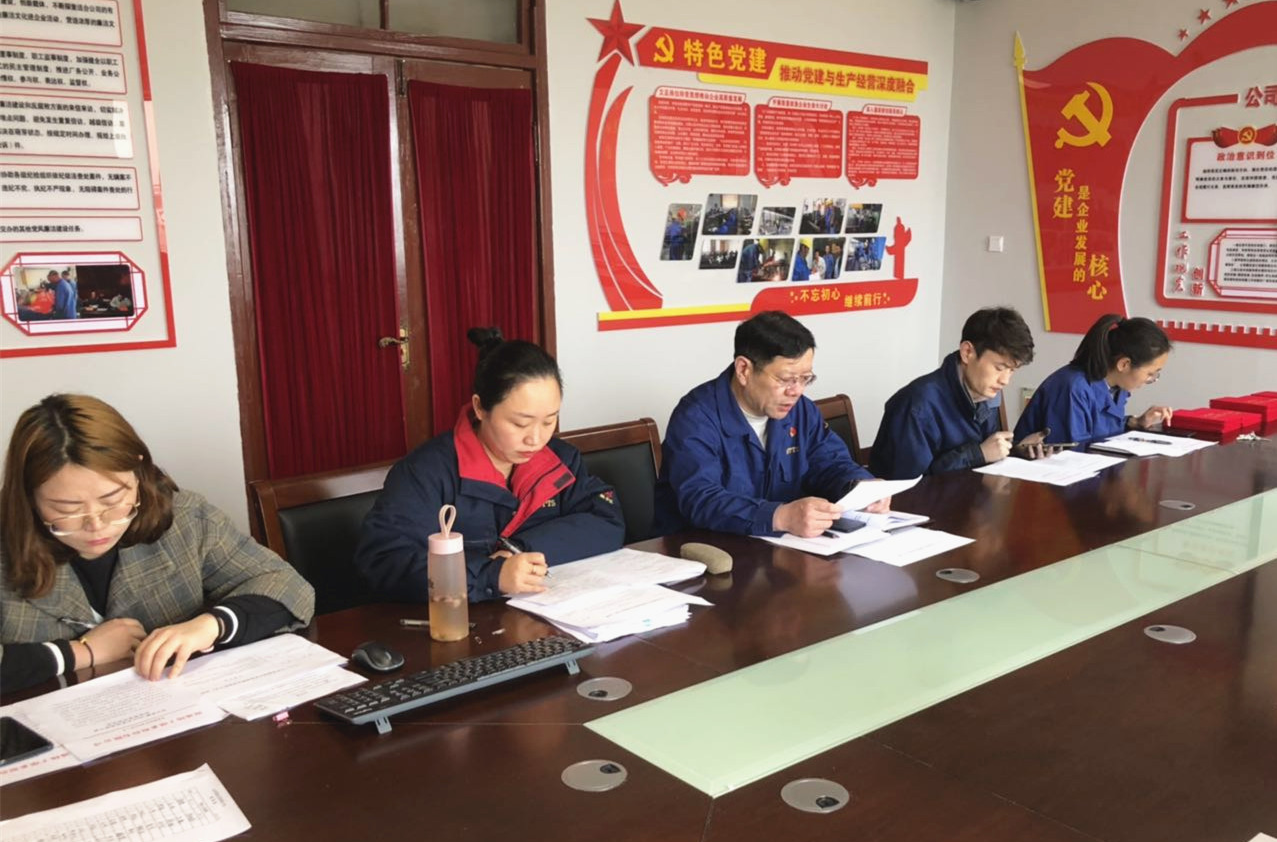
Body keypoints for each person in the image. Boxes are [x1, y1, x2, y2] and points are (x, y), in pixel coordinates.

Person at [0, 395, 315, 694]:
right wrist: (80, 653)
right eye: (67, 508)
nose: (96, 523)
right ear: (27, 495)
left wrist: (210, 626)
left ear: (137, 471)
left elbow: (288, 586)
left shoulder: (186, 519)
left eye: (112, 500)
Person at [356, 328, 624, 603]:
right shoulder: (426, 473)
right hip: (454, 621)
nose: (535, 438)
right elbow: (384, 560)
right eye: (520, 423)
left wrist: (521, 550)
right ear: (480, 407)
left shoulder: (559, 461)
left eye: (549, 421)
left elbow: (606, 519)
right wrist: (491, 576)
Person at [655, 311, 888, 539]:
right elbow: (701, 498)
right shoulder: (696, 418)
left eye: (805, 379)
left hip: (780, 547)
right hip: (702, 548)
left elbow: (829, 462)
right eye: (786, 379)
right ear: (744, 370)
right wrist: (779, 516)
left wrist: (860, 485)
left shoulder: (801, 410)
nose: (796, 391)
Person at [870, 307, 1036, 479]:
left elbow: (990, 454)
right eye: (999, 368)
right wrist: (978, 454)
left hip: (970, 493)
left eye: (1012, 370)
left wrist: (1016, 451)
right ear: (967, 353)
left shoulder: (986, 393)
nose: (1005, 380)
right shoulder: (916, 405)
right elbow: (907, 485)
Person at [1015, 314, 1173, 445]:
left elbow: (1102, 430)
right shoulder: (1073, 388)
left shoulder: (1116, 388)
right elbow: (1071, 450)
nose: (1151, 380)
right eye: (1150, 373)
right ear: (1124, 364)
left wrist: (1135, 422)